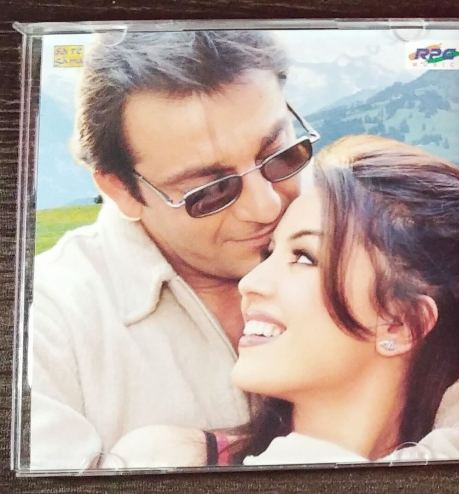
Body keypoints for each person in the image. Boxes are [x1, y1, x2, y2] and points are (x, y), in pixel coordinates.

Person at [103, 135, 459, 467]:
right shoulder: (168, 460)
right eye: (269, 253)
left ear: (400, 323)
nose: (249, 283)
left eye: (303, 257)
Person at [29, 31, 308, 470]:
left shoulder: (372, 239)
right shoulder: (43, 326)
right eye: (210, 192)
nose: (266, 206)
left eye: (281, 155)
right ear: (121, 190)